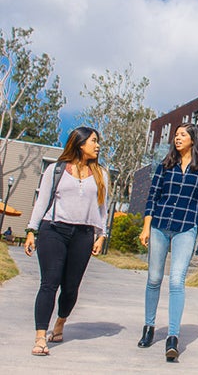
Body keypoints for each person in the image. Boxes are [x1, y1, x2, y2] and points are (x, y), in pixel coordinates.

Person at [24, 127, 108, 356]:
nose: (97, 145)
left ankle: (60, 323)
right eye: (93, 141)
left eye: (97, 141)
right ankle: (41, 336)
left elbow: (103, 207)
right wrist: (31, 230)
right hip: (53, 230)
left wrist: (102, 234)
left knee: (71, 288)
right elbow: (42, 201)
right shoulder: (56, 169)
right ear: (80, 143)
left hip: (83, 235)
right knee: (49, 283)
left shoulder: (101, 174)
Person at [138, 122, 198, 362]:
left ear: (193, 139)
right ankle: (148, 327)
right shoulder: (164, 167)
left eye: (182, 135)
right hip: (159, 225)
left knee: (177, 281)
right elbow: (152, 197)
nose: (177, 138)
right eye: (176, 135)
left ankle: (172, 337)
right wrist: (146, 227)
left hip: (186, 229)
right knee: (154, 279)